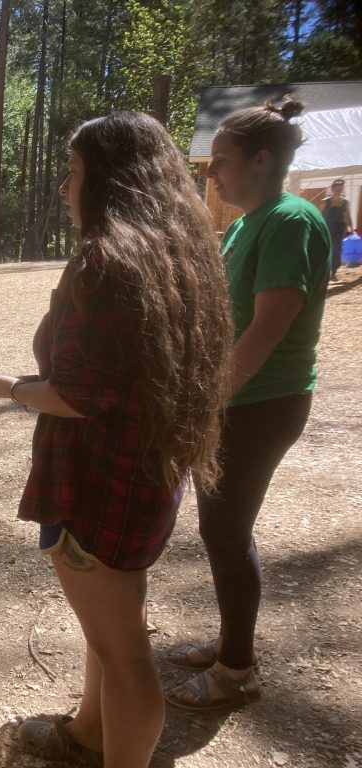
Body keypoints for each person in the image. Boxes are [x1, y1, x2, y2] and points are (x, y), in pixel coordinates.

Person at [0, 111, 232, 767]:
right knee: (111, 629)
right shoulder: (175, 251)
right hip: (144, 475)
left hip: (100, 484)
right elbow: (111, 377)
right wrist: (21, 384)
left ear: (109, 181)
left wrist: (15, 391)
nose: (64, 188)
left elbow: (76, 395)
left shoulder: (104, 261)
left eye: (73, 173)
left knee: (123, 652)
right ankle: (90, 732)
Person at [163, 97, 330, 710]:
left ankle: (237, 670)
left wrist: (210, 402)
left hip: (262, 403)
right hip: (237, 401)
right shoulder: (244, 223)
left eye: (224, 161)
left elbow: (266, 330)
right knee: (221, 530)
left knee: (228, 532)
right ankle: (232, 641)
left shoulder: (292, 221)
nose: (213, 173)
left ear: (262, 160)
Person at [322, 178, 353, 280]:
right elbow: (318, 215)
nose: (338, 192)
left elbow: (347, 216)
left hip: (339, 230)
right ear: (332, 189)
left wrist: (351, 228)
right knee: (326, 250)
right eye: (336, 189)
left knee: (336, 250)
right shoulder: (325, 202)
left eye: (340, 190)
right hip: (327, 229)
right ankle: (324, 272)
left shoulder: (345, 202)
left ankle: (333, 272)